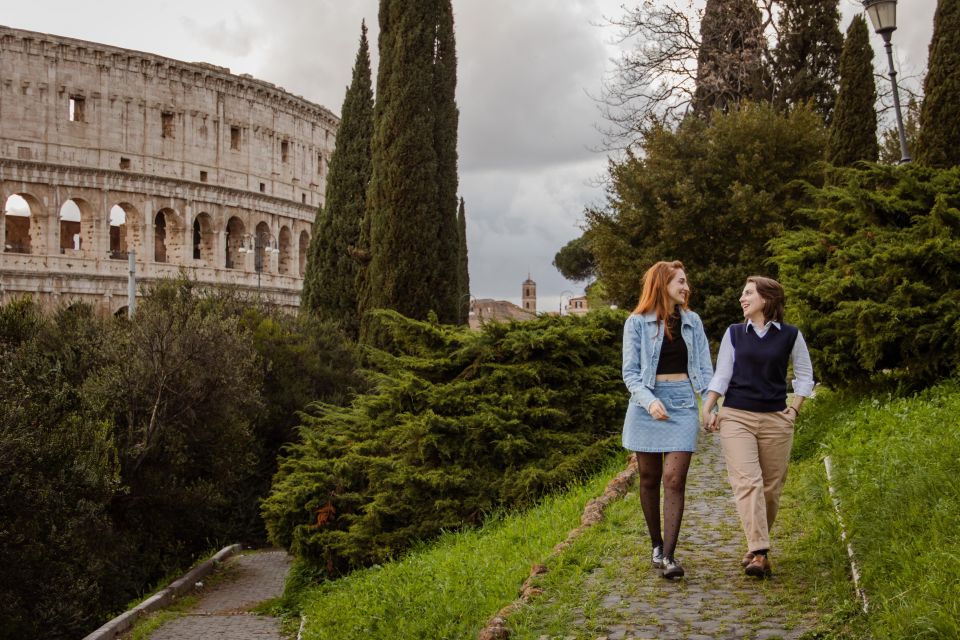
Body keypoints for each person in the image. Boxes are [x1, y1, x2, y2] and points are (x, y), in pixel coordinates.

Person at [701, 276, 815, 578]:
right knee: (747, 482)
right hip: (736, 415)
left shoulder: (791, 335)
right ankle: (761, 553)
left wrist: (794, 409)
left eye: (748, 293)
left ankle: (754, 544)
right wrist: (709, 404)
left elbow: (805, 375)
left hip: (776, 419)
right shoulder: (734, 333)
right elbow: (722, 373)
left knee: (770, 490)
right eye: (742, 293)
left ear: (767, 298)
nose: (742, 298)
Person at [622, 261, 714, 579]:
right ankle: (656, 546)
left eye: (686, 282)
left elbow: (704, 369)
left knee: (674, 479)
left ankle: (670, 557)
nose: (686, 287)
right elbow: (630, 374)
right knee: (648, 478)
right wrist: (649, 402)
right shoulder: (636, 323)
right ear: (663, 283)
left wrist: (710, 405)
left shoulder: (693, 321)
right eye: (681, 281)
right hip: (647, 403)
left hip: (683, 404)